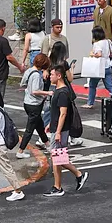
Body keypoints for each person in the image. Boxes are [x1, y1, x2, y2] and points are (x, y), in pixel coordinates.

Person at [40, 64, 89, 197]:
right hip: (57, 128)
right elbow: (56, 113)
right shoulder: (59, 90)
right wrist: (51, 123)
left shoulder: (62, 92)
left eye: (52, 74)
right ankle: (72, 179)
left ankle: (61, 185)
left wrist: (58, 132)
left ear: (59, 76)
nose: (50, 76)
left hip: (60, 130)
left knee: (57, 157)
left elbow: (63, 113)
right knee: (57, 157)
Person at [84, 27, 112, 109]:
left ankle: (90, 103)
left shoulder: (97, 44)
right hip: (107, 66)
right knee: (109, 86)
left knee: (92, 85)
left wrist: (92, 54)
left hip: (98, 68)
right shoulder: (108, 41)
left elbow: (99, 54)